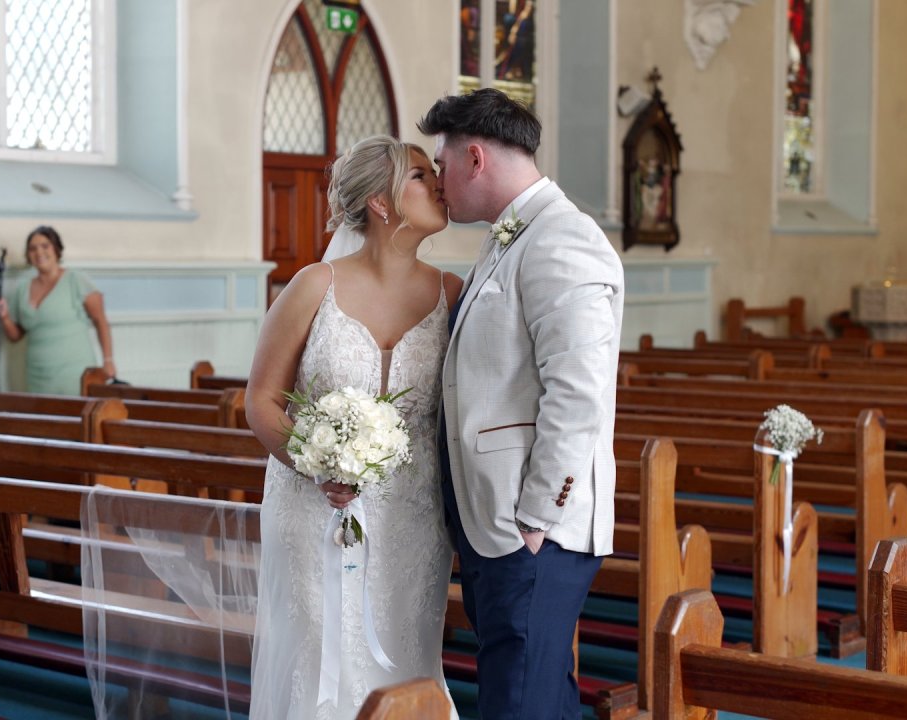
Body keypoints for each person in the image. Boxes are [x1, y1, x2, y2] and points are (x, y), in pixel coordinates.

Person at [418, 87, 625, 719]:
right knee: (531, 693)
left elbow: (579, 389)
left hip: (531, 523)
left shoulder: (563, 238)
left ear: (475, 159)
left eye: (442, 165)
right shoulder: (512, 235)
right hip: (497, 516)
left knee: (518, 701)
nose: (438, 181)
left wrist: (540, 515)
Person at [246, 134, 463, 719]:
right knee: (321, 656)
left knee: (408, 654)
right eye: (420, 175)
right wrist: (319, 466)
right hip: (315, 510)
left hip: (414, 517)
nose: (438, 182)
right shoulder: (316, 285)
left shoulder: (451, 293)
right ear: (382, 202)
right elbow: (262, 401)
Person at [0, 226, 116, 395]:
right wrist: (4, 317)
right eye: (33, 248)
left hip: (75, 375)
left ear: (56, 248)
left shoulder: (75, 280)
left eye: (45, 246)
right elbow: (15, 336)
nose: (39, 252)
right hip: (38, 377)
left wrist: (108, 360)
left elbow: (101, 321)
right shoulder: (22, 289)